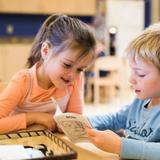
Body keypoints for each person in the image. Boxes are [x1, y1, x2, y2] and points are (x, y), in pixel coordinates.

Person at [0, 13, 96, 134]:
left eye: (80, 69)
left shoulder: (76, 78)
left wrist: (67, 125)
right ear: (46, 51)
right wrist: (33, 117)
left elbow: (75, 117)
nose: (72, 75)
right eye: (67, 65)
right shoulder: (23, 81)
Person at [85, 23, 160, 160]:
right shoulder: (140, 101)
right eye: (132, 71)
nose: (131, 79)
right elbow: (116, 119)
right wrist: (84, 121)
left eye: (141, 74)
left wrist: (121, 146)